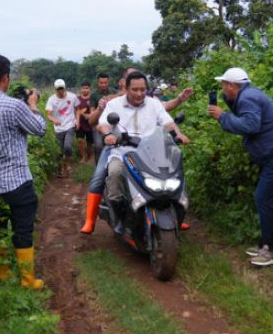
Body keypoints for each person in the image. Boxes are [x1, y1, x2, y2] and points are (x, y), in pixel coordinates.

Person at [208, 67, 273, 267]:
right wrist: (226, 105)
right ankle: (267, 244)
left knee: (265, 198)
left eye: (224, 85)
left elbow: (250, 125)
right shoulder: (247, 95)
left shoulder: (248, 98)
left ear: (232, 85)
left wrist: (222, 116)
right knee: (270, 199)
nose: (222, 88)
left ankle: (271, 250)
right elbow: (243, 117)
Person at [0, 53, 46, 289]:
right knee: (23, 228)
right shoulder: (14, 105)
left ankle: (3, 275)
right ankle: (27, 280)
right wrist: (32, 105)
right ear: (6, 77)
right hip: (16, 179)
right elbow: (40, 129)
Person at [80, 71, 190, 234]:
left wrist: (178, 133)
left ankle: (174, 213)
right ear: (127, 88)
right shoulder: (114, 104)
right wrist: (108, 134)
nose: (139, 94)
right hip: (122, 152)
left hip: (152, 152)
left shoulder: (154, 104)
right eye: (135, 90)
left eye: (143, 90)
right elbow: (103, 124)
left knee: (174, 173)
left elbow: (167, 122)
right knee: (115, 174)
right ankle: (117, 216)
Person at [46, 78, 80, 177]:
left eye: (62, 89)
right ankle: (60, 169)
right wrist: (53, 119)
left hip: (70, 125)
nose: (60, 91)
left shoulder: (72, 97)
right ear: (55, 89)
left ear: (65, 88)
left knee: (67, 146)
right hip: (59, 128)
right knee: (59, 151)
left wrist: (77, 120)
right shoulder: (51, 99)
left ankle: (68, 164)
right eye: (58, 89)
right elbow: (48, 115)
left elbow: (77, 109)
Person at [90, 73, 117, 163]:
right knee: (98, 146)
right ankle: (98, 167)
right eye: (101, 83)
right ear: (98, 83)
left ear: (108, 82)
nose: (103, 85)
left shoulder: (114, 92)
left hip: (112, 124)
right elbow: (92, 113)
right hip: (98, 125)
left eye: (105, 82)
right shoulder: (94, 95)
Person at [75, 80, 94, 163]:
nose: (85, 90)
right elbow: (76, 111)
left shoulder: (93, 99)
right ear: (80, 89)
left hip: (90, 123)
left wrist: (89, 116)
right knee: (80, 140)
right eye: (83, 88)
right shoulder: (77, 99)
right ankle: (83, 156)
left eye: (87, 88)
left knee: (90, 142)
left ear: (90, 89)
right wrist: (77, 121)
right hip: (80, 123)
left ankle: (90, 155)